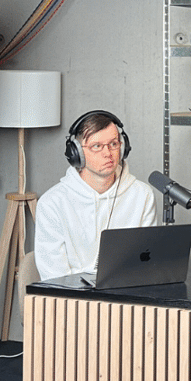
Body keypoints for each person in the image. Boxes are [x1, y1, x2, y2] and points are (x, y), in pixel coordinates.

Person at [34, 110, 158, 279]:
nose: (108, 153)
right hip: (72, 301)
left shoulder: (142, 195)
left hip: (128, 297)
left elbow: (146, 265)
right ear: (76, 153)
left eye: (114, 144)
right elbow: (54, 278)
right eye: (97, 146)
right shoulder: (52, 204)